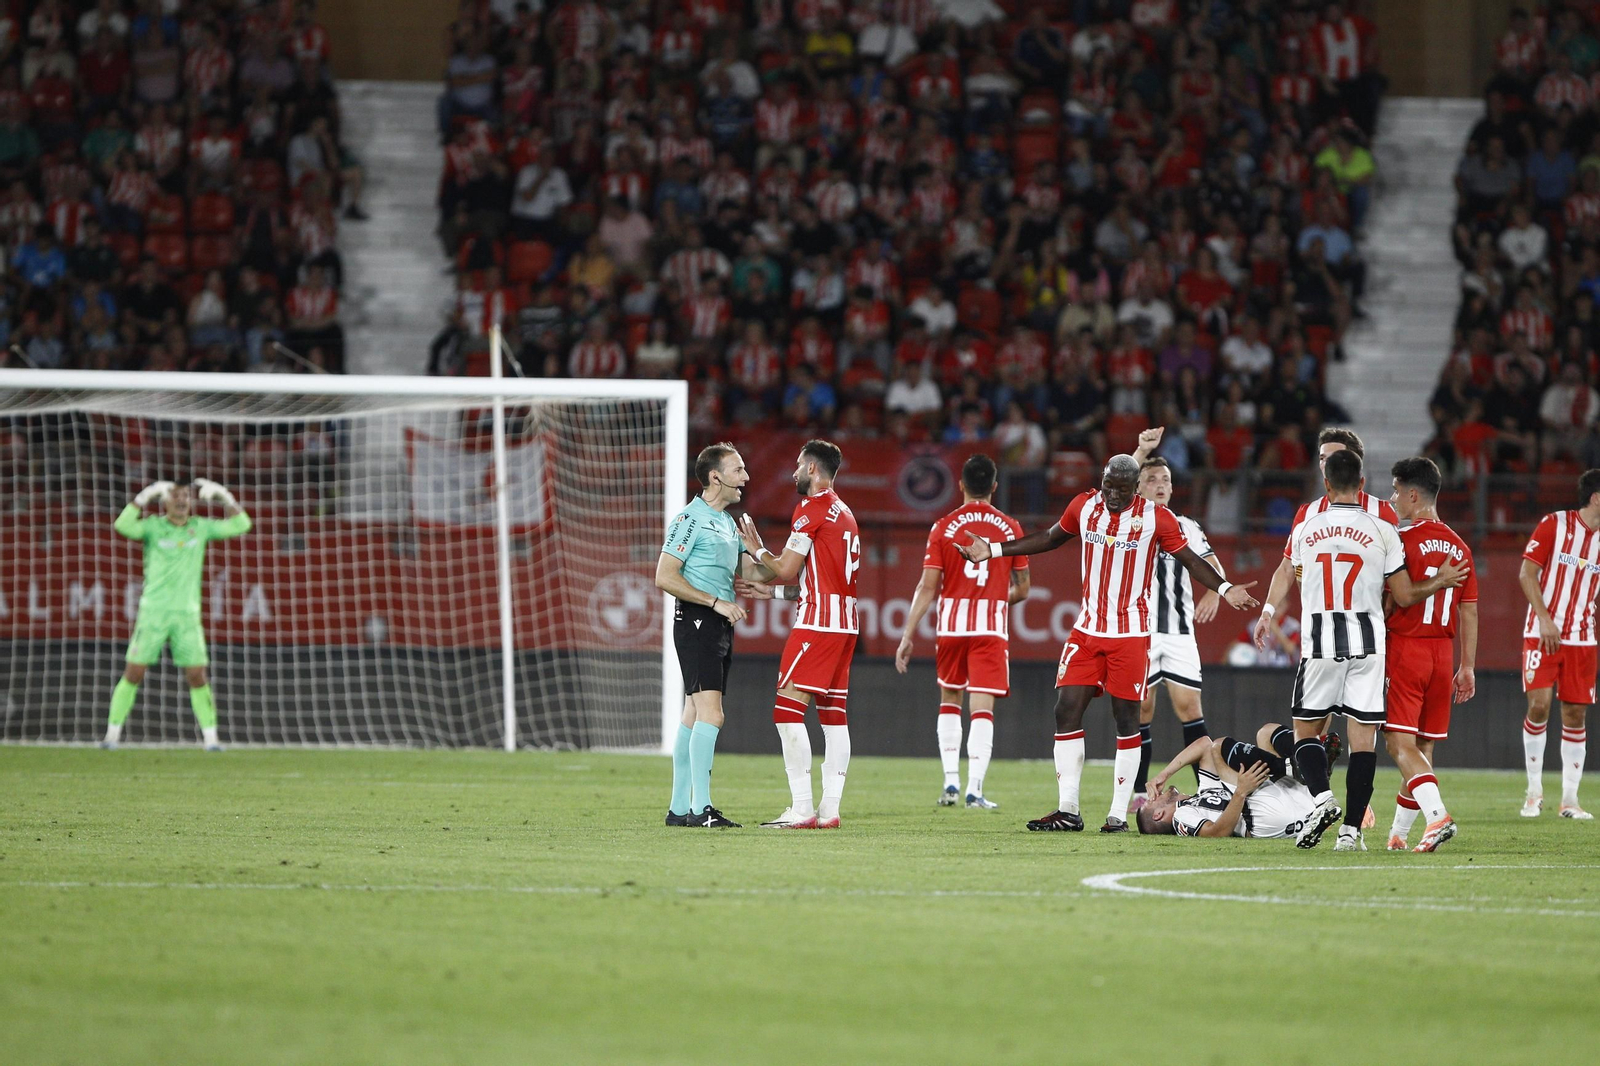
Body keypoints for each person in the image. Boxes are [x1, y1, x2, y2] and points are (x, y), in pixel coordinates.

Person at [956, 455, 1260, 833]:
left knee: (1127, 719)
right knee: (1065, 709)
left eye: (1120, 489)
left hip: (1131, 635)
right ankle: (1068, 809)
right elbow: (1051, 538)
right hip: (1086, 632)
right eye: (1107, 486)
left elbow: (1189, 559)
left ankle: (1117, 814)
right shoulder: (1084, 506)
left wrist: (1225, 588)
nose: (1112, 495)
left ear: (1135, 489)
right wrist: (995, 550)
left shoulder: (1155, 518)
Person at [1281, 449, 1463, 850]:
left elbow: (1294, 576)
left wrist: (1271, 611)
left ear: (1326, 484)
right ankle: (1351, 832)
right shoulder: (1383, 529)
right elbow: (1402, 593)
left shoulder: (1305, 528)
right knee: (1364, 740)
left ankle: (1323, 800)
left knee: (1304, 732)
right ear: (1362, 485)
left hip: (1322, 640)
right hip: (1369, 644)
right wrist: (1441, 581)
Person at [1251, 428, 1397, 833]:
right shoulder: (1307, 514)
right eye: (1320, 456)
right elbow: (1287, 570)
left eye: (1331, 457)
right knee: (1322, 735)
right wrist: (1268, 610)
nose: (1323, 463)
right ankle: (1330, 809)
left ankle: (1339, 807)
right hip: (1339, 634)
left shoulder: (1383, 514)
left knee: (1331, 732)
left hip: (1346, 637)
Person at [894, 454, 1031, 809]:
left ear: (961, 485)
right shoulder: (1010, 527)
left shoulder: (943, 526)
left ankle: (951, 784)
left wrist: (908, 634)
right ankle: (975, 790)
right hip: (989, 627)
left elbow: (927, 587)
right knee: (982, 706)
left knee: (950, 699)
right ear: (995, 487)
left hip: (952, 626)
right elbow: (1024, 588)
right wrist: (998, 599)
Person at [736, 440, 860, 829]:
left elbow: (788, 568)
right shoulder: (845, 512)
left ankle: (802, 808)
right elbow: (817, 579)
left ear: (811, 469)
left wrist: (757, 551)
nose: (793, 471)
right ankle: (829, 810)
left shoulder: (811, 508)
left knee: (786, 711)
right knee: (834, 717)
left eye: (796, 464)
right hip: (845, 624)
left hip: (818, 625)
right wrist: (770, 592)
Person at [654, 442, 773, 829]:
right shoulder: (690, 519)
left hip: (715, 624)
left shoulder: (726, 522)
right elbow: (664, 576)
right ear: (716, 477)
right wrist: (714, 602)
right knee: (712, 714)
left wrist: (758, 553)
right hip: (697, 621)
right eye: (739, 470)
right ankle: (701, 808)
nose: (746, 477)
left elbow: (759, 577)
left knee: (692, 715)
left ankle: (678, 808)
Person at [101, 480, 252, 750]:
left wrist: (225, 497)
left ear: (191, 502)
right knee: (134, 672)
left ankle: (211, 740)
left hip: (187, 616)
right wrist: (144, 496)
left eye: (185, 496)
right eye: (175, 496)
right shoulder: (153, 527)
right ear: (165, 501)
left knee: (197, 675)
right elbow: (122, 525)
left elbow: (242, 525)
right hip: (153, 613)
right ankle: (111, 736)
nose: (181, 500)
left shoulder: (201, 527)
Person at [1383, 457, 1478, 852]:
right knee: (1423, 748)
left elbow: (1391, 603)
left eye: (1395, 490)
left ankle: (1437, 816)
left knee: (1398, 746)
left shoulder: (1401, 540)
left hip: (1407, 648)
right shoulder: (1460, 546)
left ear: (1413, 494)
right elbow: (1468, 609)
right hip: (1444, 653)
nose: (1392, 498)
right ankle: (1400, 835)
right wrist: (1467, 665)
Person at [1128, 435, 1225, 800]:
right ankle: (1137, 791)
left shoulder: (1187, 526)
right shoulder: (1128, 523)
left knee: (1190, 710)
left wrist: (1215, 591)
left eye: (1165, 480)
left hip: (1180, 633)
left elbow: (1213, 566)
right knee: (1141, 710)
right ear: (1138, 486)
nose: (1160, 486)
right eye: (1151, 480)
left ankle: (1208, 792)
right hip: (1139, 631)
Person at [1517, 468, 1600, 820]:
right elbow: (1526, 573)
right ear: (1596, 497)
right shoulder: (1555, 524)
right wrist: (1545, 617)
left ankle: (1570, 799)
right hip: (1542, 631)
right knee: (1539, 705)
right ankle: (1534, 792)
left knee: (1575, 712)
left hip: (1582, 637)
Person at [1137, 724, 1313, 839]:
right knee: (1219, 746)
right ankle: (1301, 764)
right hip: (1264, 818)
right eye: (1149, 801)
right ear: (1158, 814)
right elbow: (1214, 833)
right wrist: (1240, 792)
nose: (1153, 794)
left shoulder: (1202, 793)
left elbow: (1204, 744)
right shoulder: (1181, 816)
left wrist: (1164, 774)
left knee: (1266, 733)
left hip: (1304, 810)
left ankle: (1314, 762)